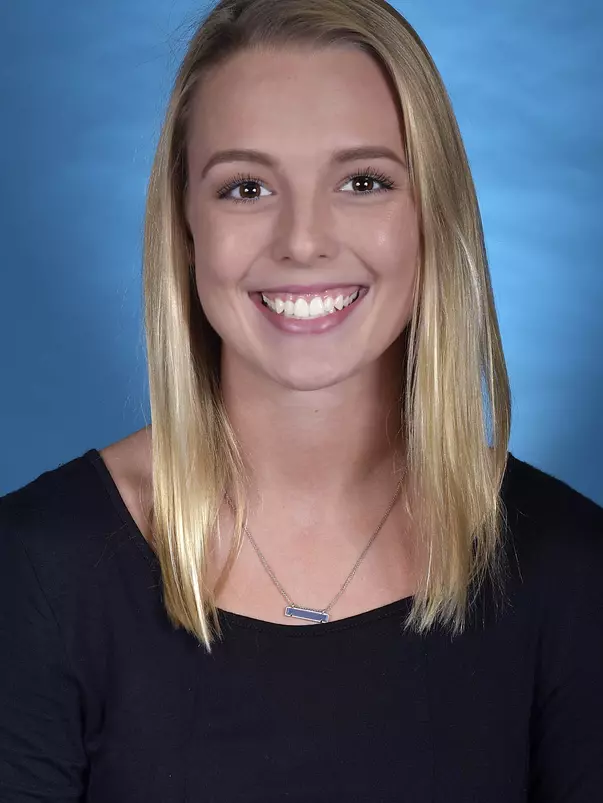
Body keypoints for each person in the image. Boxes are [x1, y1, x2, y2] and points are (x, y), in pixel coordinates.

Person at [1, 0, 602, 800]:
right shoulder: (36, 566)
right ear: (183, 226)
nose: (302, 240)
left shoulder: (570, 569)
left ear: (432, 214)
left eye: (363, 181)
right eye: (245, 187)